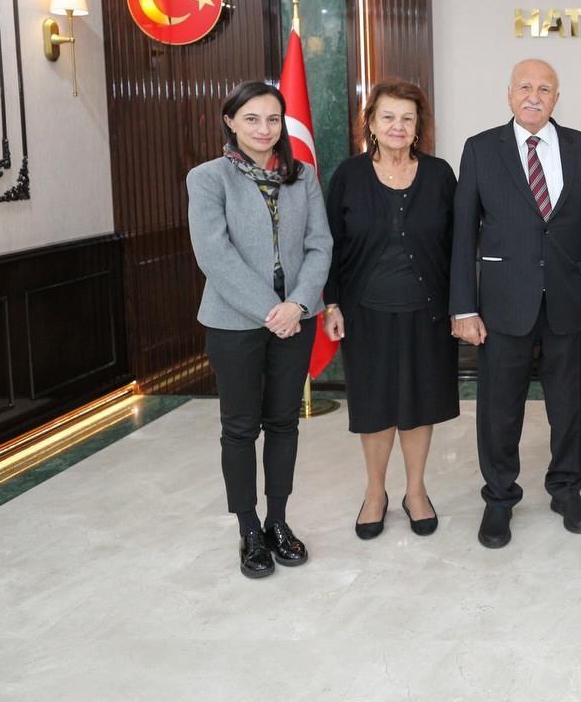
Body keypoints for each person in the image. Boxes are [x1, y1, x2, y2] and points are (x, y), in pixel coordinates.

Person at [449, 59, 581, 549]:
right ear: (509, 94)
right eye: (525, 87)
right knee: (499, 409)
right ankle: (499, 497)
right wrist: (463, 308)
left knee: (570, 405)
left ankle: (566, 489)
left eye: (544, 88)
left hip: (570, 301)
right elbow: (462, 234)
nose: (534, 96)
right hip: (502, 305)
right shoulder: (481, 149)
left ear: (557, 98)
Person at [186, 80, 332, 579]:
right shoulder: (208, 178)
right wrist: (274, 310)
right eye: (251, 119)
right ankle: (249, 529)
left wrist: (298, 304)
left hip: (297, 318)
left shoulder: (302, 176)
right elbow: (214, 254)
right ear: (231, 121)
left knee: (284, 423)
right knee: (240, 428)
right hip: (235, 322)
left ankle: (278, 522)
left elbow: (319, 244)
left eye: (273, 119)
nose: (264, 129)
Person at [323, 80, 459, 540]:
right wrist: (331, 302)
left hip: (427, 312)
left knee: (420, 404)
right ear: (371, 124)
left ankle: (416, 491)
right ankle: (375, 492)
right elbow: (329, 244)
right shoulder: (349, 175)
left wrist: (461, 307)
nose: (397, 126)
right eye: (388, 117)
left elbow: (457, 247)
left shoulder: (439, 175)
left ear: (419, 126)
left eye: (407, 118)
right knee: (375, 405)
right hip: (365, 312)